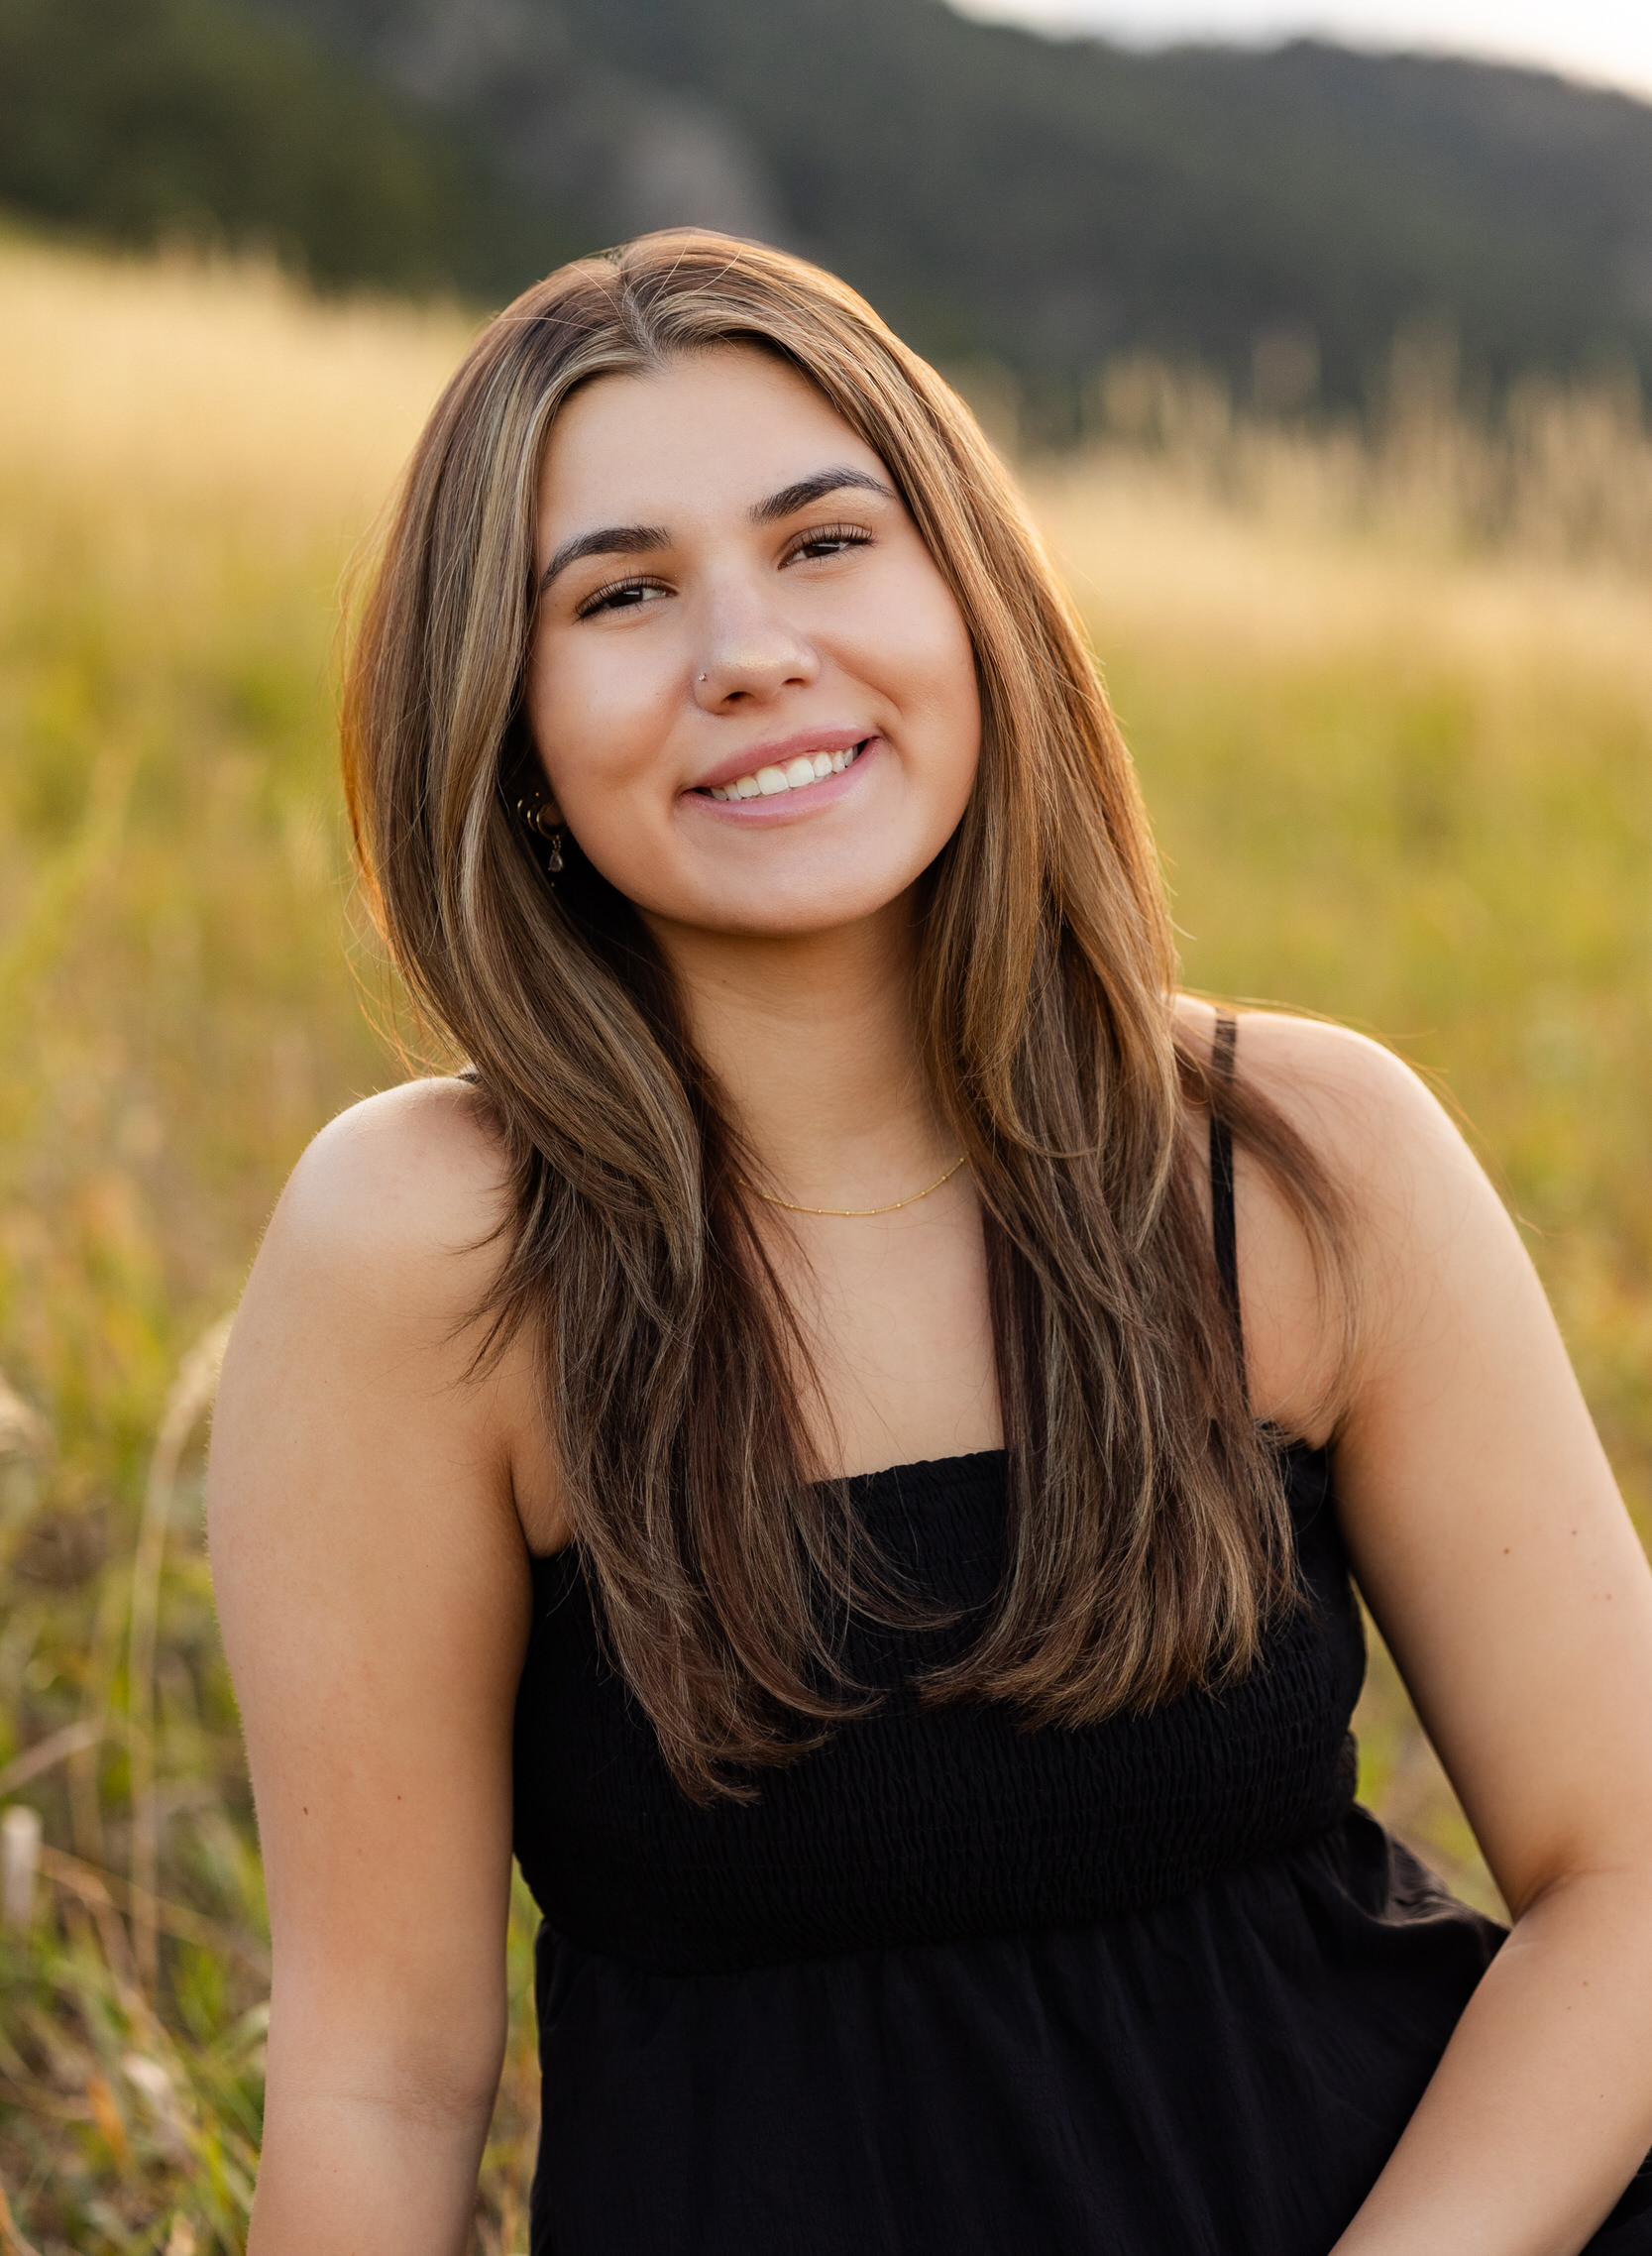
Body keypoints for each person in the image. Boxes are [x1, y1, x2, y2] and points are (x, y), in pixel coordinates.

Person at [209, 231, 1652, 2256]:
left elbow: (1630, 1873)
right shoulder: (429, 1252)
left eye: (825, 542)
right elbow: (385, 2069)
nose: (747, 651)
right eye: (620, 592)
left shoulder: (1300, 1155)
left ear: (969, 599)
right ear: (508, 721)